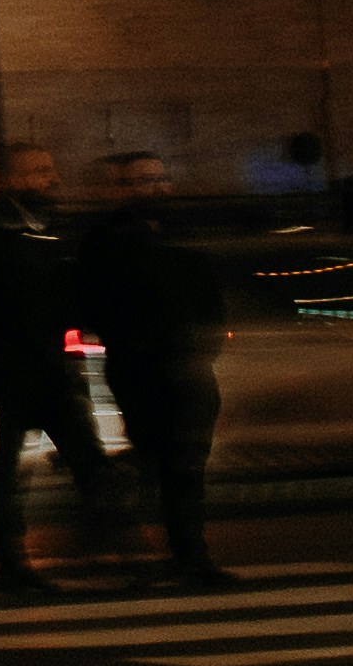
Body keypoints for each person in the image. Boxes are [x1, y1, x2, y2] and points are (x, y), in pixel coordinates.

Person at [0, 141, 118, 595]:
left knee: (82, 462)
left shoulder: (49, 227)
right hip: (21, 369)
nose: (53, 178)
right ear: (12, 178)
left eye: (51, 169)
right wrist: (5, 359)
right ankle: (15, 560)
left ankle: (100, 548)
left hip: (55, 364)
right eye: (41, 171)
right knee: (18, 466)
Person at [84, 150, 244, 591]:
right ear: (117, 190)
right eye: (140, 182)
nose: (153, 189)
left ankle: (190, 556)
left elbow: (207, 294)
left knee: (187, 465)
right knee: (158, 459)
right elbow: (99, 306)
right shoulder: (106, 241)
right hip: (142, 367)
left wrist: (207, 342)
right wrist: (141, 341)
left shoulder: (179, 233)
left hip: (189, 366)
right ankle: (134, 541)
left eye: (159, 179)